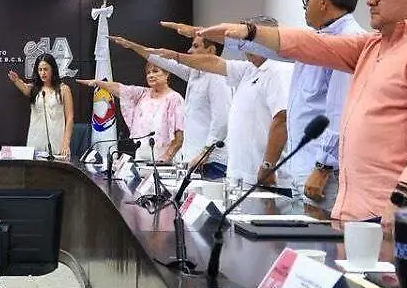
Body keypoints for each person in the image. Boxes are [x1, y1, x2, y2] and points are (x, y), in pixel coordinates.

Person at [199, 0, 407, 223]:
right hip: (364, 208)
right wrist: (248, 32)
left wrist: (401, 200)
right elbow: (312, 45)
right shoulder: (376, 45)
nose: (370, 1)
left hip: (404, 214)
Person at [164, 0, 365, 205]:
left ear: (323, 1)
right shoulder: (318, 38)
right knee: (304, 239)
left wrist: (323, 166)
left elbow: (340, 114)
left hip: (325, 174)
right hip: (303, 167)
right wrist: (206, 33)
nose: (304, 6)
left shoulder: (349, 41)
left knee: (322, 239)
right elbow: (268, 47)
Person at [151, 16, 291, 187]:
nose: (243, 47)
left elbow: (281, 118)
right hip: (240, 173)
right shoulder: (248, 69)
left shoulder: (278, 69)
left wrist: (268, 165)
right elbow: (213, 62)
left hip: (264, 175)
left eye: (247, 39)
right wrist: (180, 51)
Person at [110, 34, 230, 179]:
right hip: (193, 159)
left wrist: (205, 152)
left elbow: (222, 120)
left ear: (211, 51)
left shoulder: (217, 77)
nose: (190, 50)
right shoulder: (194, 72)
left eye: (196, 46)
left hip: (211, 161)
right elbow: (163, 62)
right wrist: (133, 46)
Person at [77, 62, 185, 163]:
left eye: (155, 71)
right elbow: (120, 89)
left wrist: (166, 158)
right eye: (148, 72)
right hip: (142, 154)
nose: (151, 75)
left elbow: (179, 137)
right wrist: (97, 83)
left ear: (167, 74)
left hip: (165, 157)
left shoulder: (175, 98)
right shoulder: (142, 93)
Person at [7, 53, 74, 158]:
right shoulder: (34, 89)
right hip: (36, 139)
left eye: (46, 69)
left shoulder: (64, 89)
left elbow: (70, 118)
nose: (43, 73)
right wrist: (16, 80)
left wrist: (66, 142)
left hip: (57, 141)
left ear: (53, 69)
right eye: (40, 70)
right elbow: (23, 87)